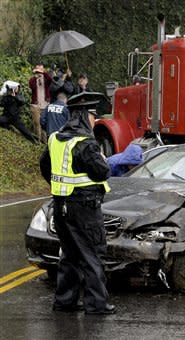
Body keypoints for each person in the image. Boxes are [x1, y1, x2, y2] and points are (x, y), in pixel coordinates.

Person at [39, 92, 116, 315]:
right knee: (92, 253)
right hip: (85, 207)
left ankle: (65, 301)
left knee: (70, 254)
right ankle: (97, 304)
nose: (95, 120)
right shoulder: (86, 143)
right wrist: (101, 157)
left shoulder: (55, 139)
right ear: (84, 116)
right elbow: (103, 172)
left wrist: (58, 187)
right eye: (93, 116)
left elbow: (46, 167)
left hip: (61, 205)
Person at [28, 64, 52, 142]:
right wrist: (36, 77)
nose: (39, 72)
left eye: (40, 70)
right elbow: (32, 86)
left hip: (45, 104)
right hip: (36, 104)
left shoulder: (46, 79)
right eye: (37, 70)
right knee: (36, 123)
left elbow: (50, 80)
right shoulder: (33, 79)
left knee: (44, 123)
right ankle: (37, 140)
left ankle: (44, 141)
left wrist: (43, 72)